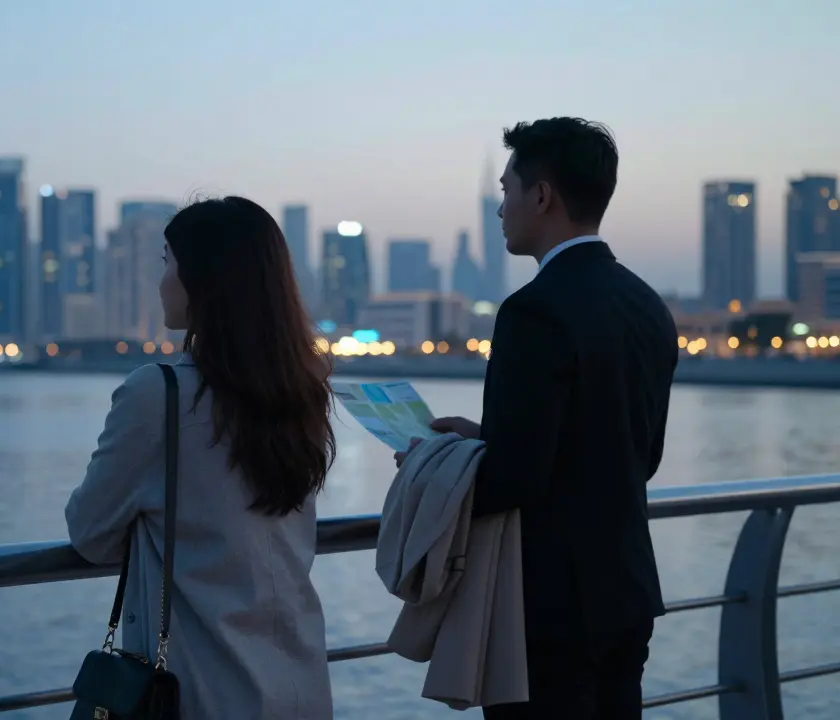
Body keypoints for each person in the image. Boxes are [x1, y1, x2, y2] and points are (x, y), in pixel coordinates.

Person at [396, 117, 678, 719]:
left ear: (541, 196)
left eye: (506, 190)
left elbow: (517, 478)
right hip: (626, 591)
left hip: (546, 609)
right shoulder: (645, 303)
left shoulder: (533, 310)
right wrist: (488, 438)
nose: (501, 209)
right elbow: (637, 453)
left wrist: (434, 462)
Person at [66, 196, 336, 719]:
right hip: (300, 685)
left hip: (203, 690)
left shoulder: (158, 395)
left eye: (168, 262)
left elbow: (89, 532)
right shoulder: (301, 393)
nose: (162, 280)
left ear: (204, 280)